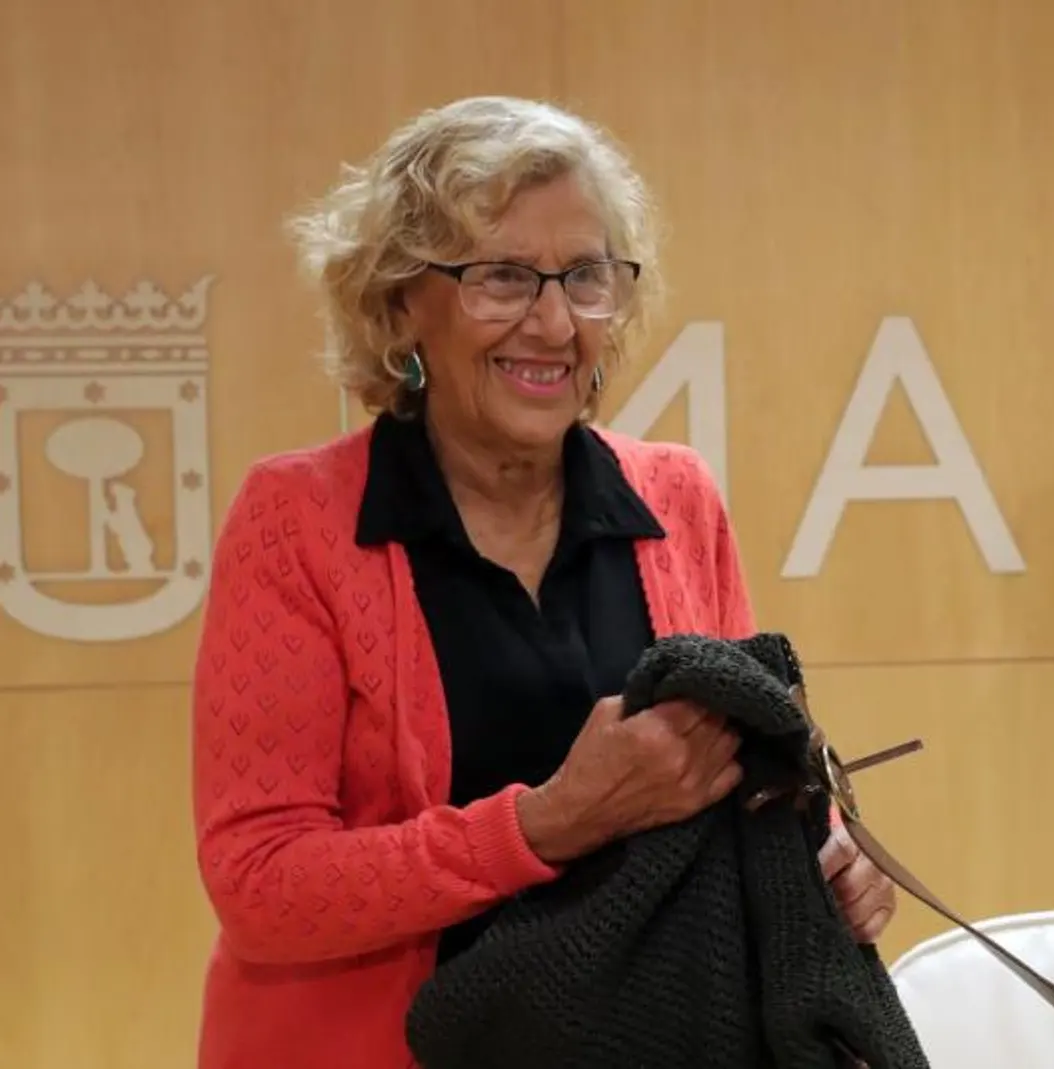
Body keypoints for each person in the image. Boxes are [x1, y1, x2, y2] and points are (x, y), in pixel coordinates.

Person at [189, 95, 897, 1069]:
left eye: (587, 277)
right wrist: (550, 822)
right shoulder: (298, 521)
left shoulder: (676, 498)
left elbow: (745, 793)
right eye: (504, 277)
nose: (555, 321)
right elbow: (262, 886)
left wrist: (825, 859)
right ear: (401, 302)